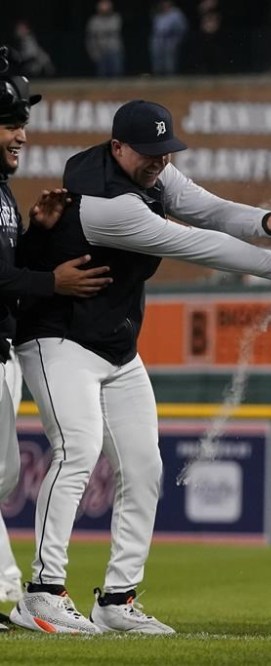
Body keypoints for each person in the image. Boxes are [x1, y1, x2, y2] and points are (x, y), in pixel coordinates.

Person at [10, 99, 271, 635]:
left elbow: (206, 207)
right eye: (149, 153)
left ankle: (117, 600)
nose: (160, 162)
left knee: (145, 469)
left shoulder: (146, 171)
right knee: (78, 450)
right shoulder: (108, 204)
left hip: (116, 346)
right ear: (118, 147)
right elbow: (196, 242)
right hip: (57, 337)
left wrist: (266, 221)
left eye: (165, 152)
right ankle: (42, 593)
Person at [0, 50, 114, 616]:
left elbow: (7, 269)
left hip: (3, 350)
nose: (20, 134)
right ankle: (22, 594)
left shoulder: (1, 189)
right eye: (10, 123)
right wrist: (52, 279)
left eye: (21, 122)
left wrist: (38, 237)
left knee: (2, 478)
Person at [86, 0, 125, 78]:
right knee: (102, 74)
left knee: (117, 73)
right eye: (103, 7)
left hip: (115, 49)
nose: (105, 9)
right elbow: (90, 39)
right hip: (100, 50)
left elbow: (115, 27)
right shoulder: (94, 21)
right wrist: (93, 52)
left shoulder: (115, 18)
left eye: (107, 7)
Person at [150, 0, 187, 75]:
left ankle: (170, 76)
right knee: (157, 59)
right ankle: (158, 76)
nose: (164, 4)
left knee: (169, 60)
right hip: (158, 39)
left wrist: (177, 38)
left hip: (171, 39)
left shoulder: (176, 13)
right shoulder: (159, 12)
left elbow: (183, 27)